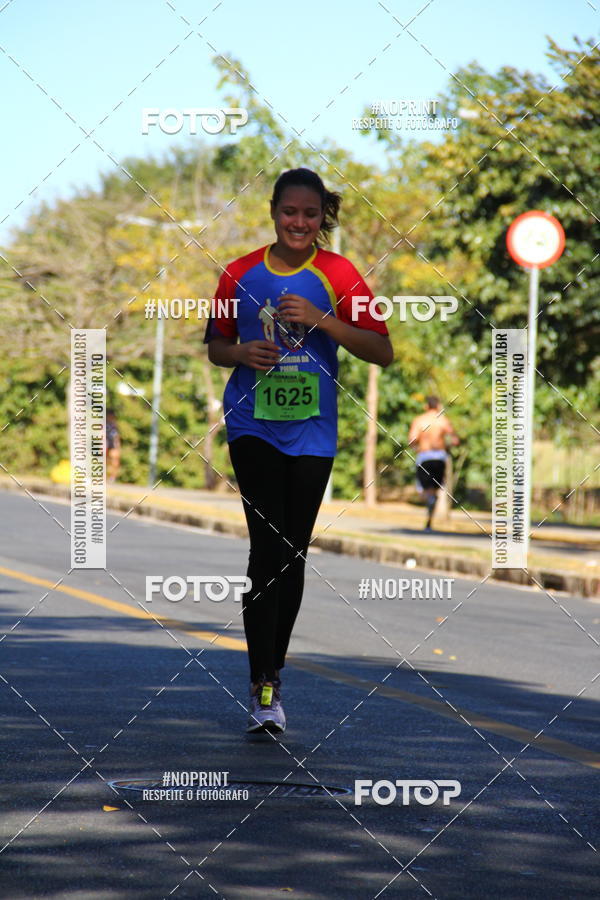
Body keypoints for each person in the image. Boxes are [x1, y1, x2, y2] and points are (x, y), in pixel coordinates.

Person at [206, 167, 393, 734]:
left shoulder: (339, 274)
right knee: (266, 548)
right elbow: (216, 346)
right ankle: (263, 685)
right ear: (273, 212)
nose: (299, 222)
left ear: (322, 218)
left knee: (292, 554)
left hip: (312, 431)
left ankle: (274, 670)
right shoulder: (238, 273)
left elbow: (381, 351)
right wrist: (241, 354)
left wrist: (323, 320)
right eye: (290, 211)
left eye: (311, 214)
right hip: (253, 426)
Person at [408, 396, 459, 531]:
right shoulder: (443, 421)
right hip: (439, 457)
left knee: (424, 490)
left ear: (426, 406)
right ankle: (430, 516)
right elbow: (455, 440)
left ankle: (429, 507)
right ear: (438, 406)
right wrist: (446, 445)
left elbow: (412, 440)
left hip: (424, 456)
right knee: (435, 489)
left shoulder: (419, 420)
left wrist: (417, 446)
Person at [106, 409, 121, 483]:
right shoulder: (104, 424)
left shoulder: (115, 425)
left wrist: (118, 446)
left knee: (114, 460)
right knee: (105, 461)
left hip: (113, 444)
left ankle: (112, 477)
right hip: (105, 443)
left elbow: (116, 437)